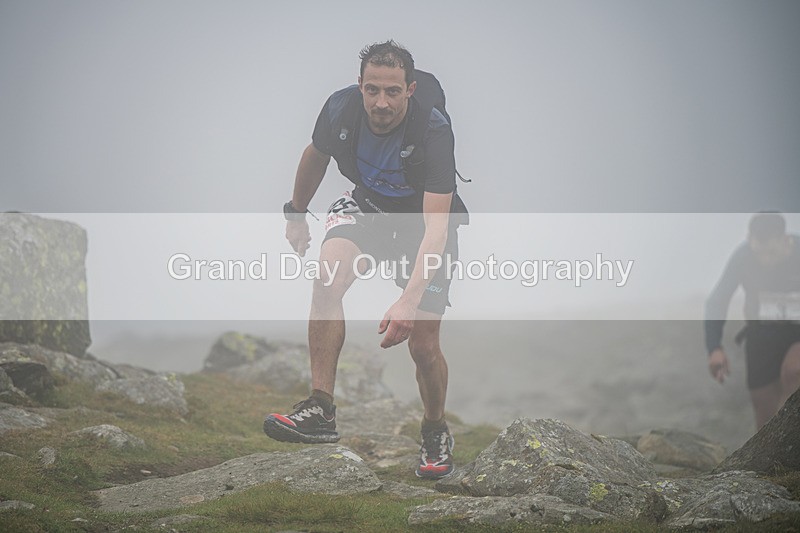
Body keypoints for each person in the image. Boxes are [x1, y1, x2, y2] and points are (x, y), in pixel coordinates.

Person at [263, 40, 465, 479]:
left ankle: (435, 429)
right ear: (360, 86)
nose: (381, 103)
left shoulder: (432, 130)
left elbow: (436, 229)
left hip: (421, 224)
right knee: (326, 279)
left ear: (410, 90)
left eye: (392, 91)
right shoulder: (341, 109)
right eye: (372, 90)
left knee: (423, 346)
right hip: (368, 206)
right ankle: (321, 409)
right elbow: (315, 156)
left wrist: (408, 301)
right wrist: (296, 214)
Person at [705, 212, 800, 430]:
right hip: (761, 335)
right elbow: (717, 301)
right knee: (765, 416)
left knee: (794, 371)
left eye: (772, 253)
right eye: (760, 253)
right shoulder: (743, 257)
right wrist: (714, 348)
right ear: (750, 240)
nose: (766, 260)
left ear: (785, 240)